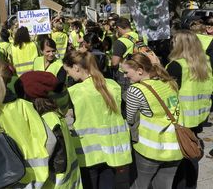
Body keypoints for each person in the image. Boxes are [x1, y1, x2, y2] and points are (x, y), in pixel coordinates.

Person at [0, 59, 52, 188]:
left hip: (5, 183)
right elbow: (50, 141)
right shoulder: (26, 106)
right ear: (9, 79)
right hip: (35, 181)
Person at [63, 51, 132, 189]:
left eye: (68, 70)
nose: (68, 74)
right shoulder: (112, 85)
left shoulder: (75, 92)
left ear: (76, 67)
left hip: (88, 157)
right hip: (111, 153)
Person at [122, 53, 183, 189]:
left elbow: (130, 118)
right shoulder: (169, 82)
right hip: (175, 147)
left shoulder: (136, 90)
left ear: (140, 70)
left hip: (150, 149)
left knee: (140, 184)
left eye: (126, 72)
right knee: (165, 185)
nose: (125, 76)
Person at [16, 71, 83, 188]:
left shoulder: (46, 120)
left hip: (56, 184)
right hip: (68, 182)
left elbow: (46, 152)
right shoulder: (54, 115)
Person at [166, 30, 213, 189]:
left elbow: (166, 92)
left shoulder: (176, 65)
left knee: (180, 159)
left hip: (181, 120)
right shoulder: (205, 62)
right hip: (199, 117)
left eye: (174, 40)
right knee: (192, 153)